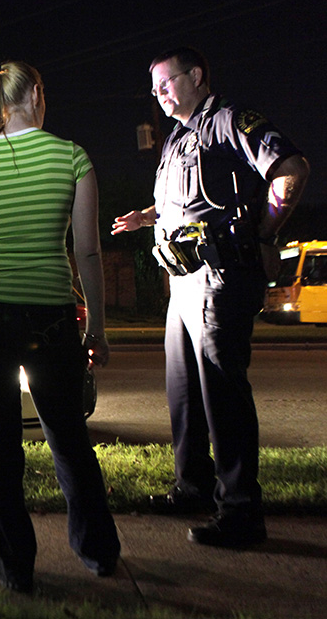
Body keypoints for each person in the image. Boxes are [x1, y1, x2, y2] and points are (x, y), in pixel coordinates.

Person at [112, 47, 309, 547]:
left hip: (219, 278)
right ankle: (193, 488)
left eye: (166, 82)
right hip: (182, 282)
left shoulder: (228, 121)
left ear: (196, 76)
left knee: (223, 393)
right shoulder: (178, 137)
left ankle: (241, 511)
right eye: (153, 87)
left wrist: (263, 234)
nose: (158, 94)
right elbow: (185, 201)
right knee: (183, 393)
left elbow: (291, 168)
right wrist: (146, 218)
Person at [0, 59, 120, 593]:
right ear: (36, 94)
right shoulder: (72, 157)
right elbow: (88, 252)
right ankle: (98, 551)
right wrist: (98, 328)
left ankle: (14, 566)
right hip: (52, 319)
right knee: (69, 439)